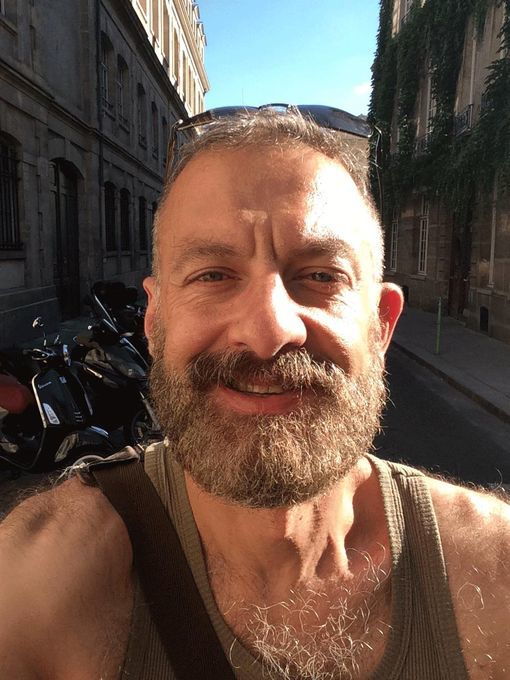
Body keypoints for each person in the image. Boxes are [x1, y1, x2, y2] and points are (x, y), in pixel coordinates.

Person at [0, 107, 509, 680]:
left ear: (382, 324)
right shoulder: (34, 584)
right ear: (155, 319)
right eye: (213, 275)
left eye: (321, 276)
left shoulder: (496, 571)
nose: (269, 332)